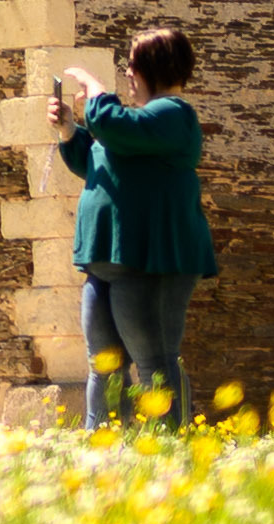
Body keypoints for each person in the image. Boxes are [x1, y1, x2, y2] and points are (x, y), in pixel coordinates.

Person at [51, 23, 216, 424]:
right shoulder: (137, 125)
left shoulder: (174, 114)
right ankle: (104, 451)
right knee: (103, 366)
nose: (127, 72)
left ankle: (167, 452)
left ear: (153, 68)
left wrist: (93, 88)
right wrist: (70, 130)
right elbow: (97, 161)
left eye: (132, 64)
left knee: (154, 363)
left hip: (149, 260)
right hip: (108, 260)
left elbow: (113, 127)